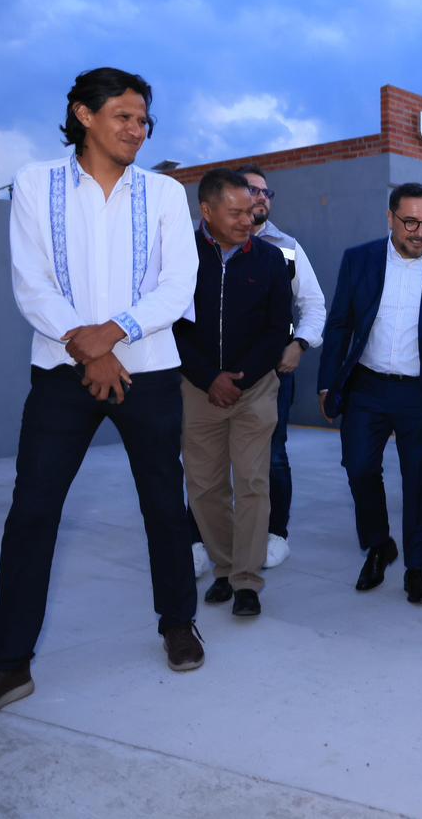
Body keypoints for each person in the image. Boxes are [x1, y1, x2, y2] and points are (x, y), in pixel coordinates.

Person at [0, 68, 203, 725]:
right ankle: (8, 664)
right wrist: (89, 349)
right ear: (84, 115)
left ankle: (178, 622)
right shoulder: (36, 183)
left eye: (144, 120)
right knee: (32, 511)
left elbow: (178, 285)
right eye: (124, 116)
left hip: (149, 371)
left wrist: (111, 336)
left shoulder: (166, 192)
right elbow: (31, 282)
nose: (137, 130)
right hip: (63, 372)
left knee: (164, 506)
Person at [318, 183, 422, 604]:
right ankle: (379, 544)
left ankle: (416, 568)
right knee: (359, 468)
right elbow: (340, 324)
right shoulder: (360, 259)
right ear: (390, 218)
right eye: (411, 222)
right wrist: (328, 383)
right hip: (367, 388)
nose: (420, 232)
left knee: (421, 482)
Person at [174, 169, 291, 618]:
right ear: (206, 211)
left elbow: (277, 327)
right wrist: (209, 378)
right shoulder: (179, 256)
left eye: (251, 211)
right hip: (198, 389)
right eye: (236, 212)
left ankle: (246, 580)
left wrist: (240, 378)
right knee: (204, 488)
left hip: (255, 388)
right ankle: (224, 569)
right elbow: (171, 325)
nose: (248, 220)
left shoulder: (270, 259)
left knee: (252, 482)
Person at [237, 164, 326, 570]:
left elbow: (313, 304)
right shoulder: (205, 242)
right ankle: (201, 540)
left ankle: (276, 535)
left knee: (272, 455)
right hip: (217, 371)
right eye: (252, 189)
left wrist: (300, 344)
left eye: (266, 192)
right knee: (209, 458)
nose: (261, 197)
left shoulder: (287, 246)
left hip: (274, 371)